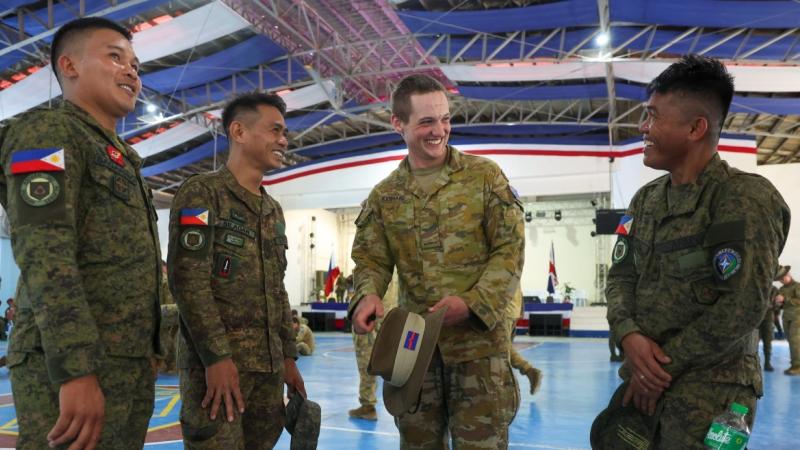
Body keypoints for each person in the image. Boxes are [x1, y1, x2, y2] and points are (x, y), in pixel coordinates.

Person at [604, 55, 790, 446]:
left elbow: (742, 307)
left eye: (653, 116)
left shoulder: (742, 199)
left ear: (695, 127)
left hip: (712, 396)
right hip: (642, 388)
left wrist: (656, 370)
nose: (643, 127)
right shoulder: (644, 201)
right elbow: (620, 276)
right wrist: (630, 336)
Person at [0, 17, 162, 449]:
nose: (131, 71)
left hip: (124, 365)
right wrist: (75, 369)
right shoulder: (47, 132)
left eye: (136, 64)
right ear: (69, 66)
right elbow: (45, 254)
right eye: (115, 57)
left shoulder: (121, 156)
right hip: (73, 366)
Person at [349, 74, 525, 448]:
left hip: (479, 348)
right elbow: (370, 259)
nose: (439, 131)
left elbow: (509, 250)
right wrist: (368, 295)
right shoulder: (385, 196)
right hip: (415, 349)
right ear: (398, 123)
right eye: (427, 121)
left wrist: (472, 304)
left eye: (445, 119)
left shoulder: (484, 177)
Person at [168, 92, 305, 449]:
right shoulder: (202, 194)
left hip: (268, 373)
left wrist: (288, 357)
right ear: (239, 131)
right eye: (275, 129)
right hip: (217, 372)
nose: (283, 139)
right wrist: (217, 357)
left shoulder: (273, 210)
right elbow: (188, 281)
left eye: (285, 131)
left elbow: (277, 289)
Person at [348, 272, 398, 421]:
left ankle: (367, 406)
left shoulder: (372, 262)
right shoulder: (396, 270)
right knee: (399, 361)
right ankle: (404, 405)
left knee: (366, 361)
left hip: (370, 313)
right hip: (392, 315)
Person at [507, 288, 542, 395]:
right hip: (512, 307)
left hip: (501, 308)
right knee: (504, 347)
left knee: (500, 350)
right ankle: (529, 370)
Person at [776, 266, 800, 375]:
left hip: (797, 317)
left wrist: (785, 299)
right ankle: (794, 364)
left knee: (795, 342)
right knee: (791, 341)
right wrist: (778, 304)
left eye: (783, 277)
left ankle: (798, 366)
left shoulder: (797, 286)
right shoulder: (781, 289)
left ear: (789, 275)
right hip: (786, 318)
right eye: (779, 279)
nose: (781, 280)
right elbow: (783, 306)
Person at [759, 285, 779, 371]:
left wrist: (774, 308)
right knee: (752, 342)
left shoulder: (774, 289)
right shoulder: (756, 286)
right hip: (755, 318)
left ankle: (767, 363)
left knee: (767, 342)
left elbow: (778, 304)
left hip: (768, 318)